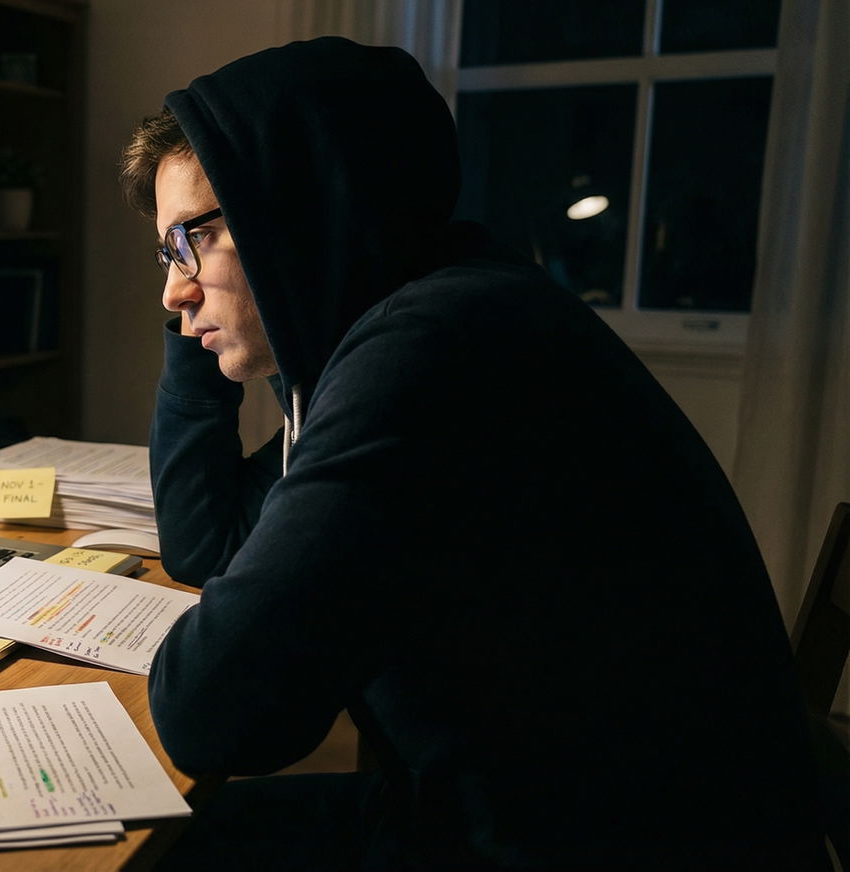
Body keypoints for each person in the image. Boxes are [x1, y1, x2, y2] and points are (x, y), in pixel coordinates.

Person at [121, 37, 823, 870]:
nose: (173, 289)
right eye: (167, 255)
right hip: (533, 801)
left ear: (297, 207)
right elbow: (208, 542)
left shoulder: (429, 353)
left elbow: (214, 715)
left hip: (592, 838)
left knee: (162, 854)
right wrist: (200, 324)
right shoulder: (411, 320)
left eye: (191, 242)